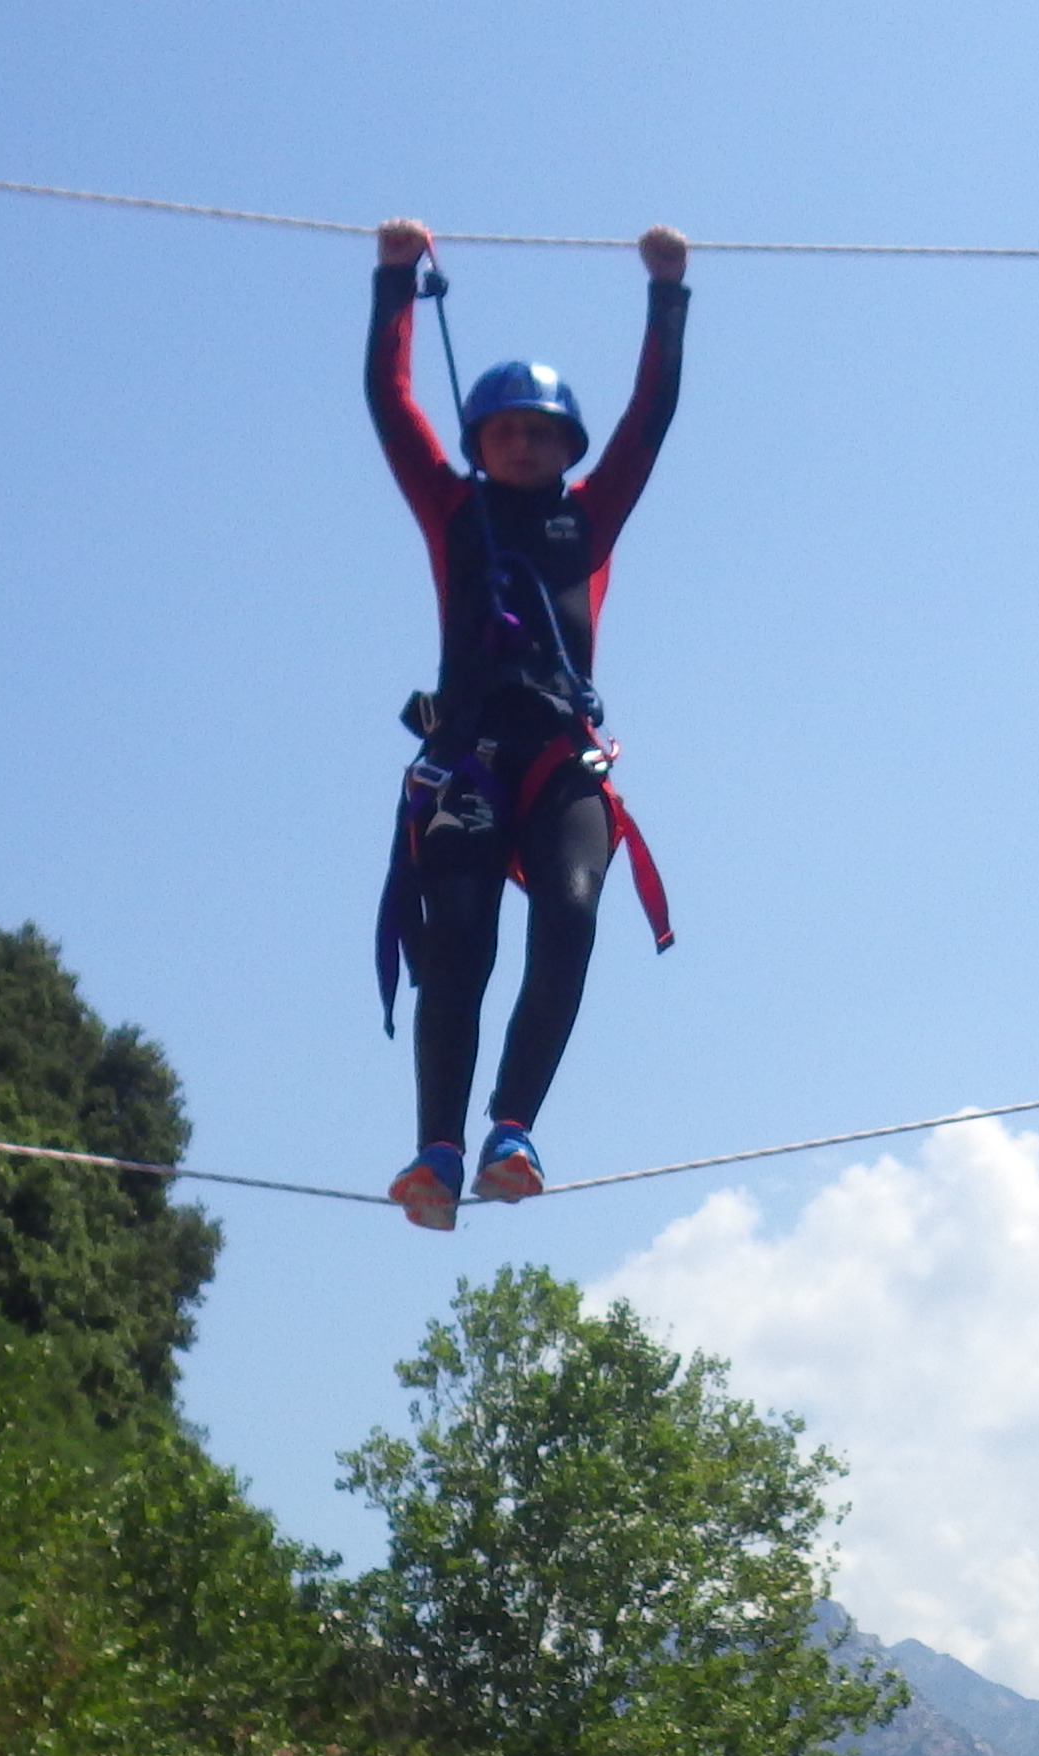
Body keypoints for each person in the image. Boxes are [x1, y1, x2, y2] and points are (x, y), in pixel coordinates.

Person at [365, 214, 690, 1230]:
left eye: (540, 432)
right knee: (456, 947)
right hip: (467, 755)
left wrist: (666, 293)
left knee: (574, 912)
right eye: (503, 431)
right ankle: (436, 1154)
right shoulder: (451, 509)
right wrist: (393, 282)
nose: (520, 444)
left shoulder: (589, 514)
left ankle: (513, 1131)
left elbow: (652, 413)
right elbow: (390, 401)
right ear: (478, 444)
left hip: (560, 758)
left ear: (565, 447)